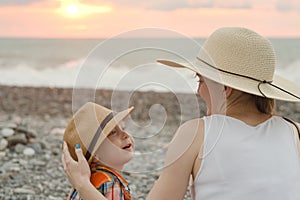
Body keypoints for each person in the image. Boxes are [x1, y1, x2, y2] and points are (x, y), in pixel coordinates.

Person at [62, 27, 300, 199]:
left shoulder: (196, 133)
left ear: (224, 89)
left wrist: (83, 185)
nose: (198, 90)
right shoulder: (294, 131)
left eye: (201, 80)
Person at [63, 102, 134, 200]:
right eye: (113, 132)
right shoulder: (111, 184)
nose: (125, 134)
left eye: (123, 128)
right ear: (95, 154)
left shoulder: (88, 179)